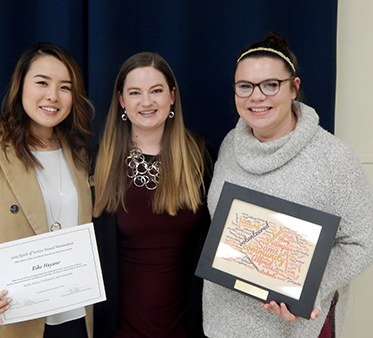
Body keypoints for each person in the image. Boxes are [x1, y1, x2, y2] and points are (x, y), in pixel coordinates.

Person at [202, 31, 373, 338]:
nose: (256, 96)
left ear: (294, 87)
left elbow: (361, 242)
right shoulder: (229, 146)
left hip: (294, 328)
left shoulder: (334, 158)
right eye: (245, 87)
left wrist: (307, 288)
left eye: (271, 85)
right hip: (224, 324)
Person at [0, 42, 93, 338]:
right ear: (20, 86)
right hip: (9, 318)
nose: (53, 96)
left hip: (74, 316)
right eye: (42, 83)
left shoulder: (81, 156)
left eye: (65, 87)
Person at [92, 51, 214, 337]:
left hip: (188, 327)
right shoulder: (98, 163)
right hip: (118, 328)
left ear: (172, 96)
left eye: (156, 91)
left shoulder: (200, 156)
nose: (146, 102)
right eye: (135, 93)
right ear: (122, 101)